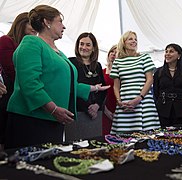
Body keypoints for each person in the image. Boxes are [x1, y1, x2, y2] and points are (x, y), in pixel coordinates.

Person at [5, 5, 109, 149]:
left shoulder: (58, 52)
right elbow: (30, 83)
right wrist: (53, 109)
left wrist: (94, 88)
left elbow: (67, 83)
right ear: (46, 22)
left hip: (52, 119)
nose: (64, 26)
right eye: (60, 21)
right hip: (31, 119)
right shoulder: (31, 43)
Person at [110, 30, 160, 134]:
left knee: (148, 138)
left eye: (135, 39)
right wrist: (119, 101)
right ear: (124, 42)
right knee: (123, 140)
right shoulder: (117, 62)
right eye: (130, 39)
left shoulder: (144, 57)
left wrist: (139, 98)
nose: (134, 41)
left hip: (144, 103)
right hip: (125, 105)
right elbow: (116, 86)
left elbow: (150, 80)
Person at [0, 12, 37, 151]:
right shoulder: (6, 41)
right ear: (21, 24)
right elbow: (12, 71)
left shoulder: (31, 46)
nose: (35, 28)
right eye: (31, 23)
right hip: (6, 96)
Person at [65, 32, 107, 141]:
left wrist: (97, 105)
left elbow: (103, 90)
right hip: (77, 113)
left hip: (95, 114)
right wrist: (87, 108)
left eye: (88, 45)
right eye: (81, 44)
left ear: (93, 48)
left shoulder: (97, 66)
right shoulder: (70, 63)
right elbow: (72, 88)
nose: (84, 47)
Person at [153, 43, 182, 128]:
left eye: (171, 51)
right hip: (163, 109)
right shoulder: (158, 72)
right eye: (166, 51)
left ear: (179, 55)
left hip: (181, 109)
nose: (167, 54)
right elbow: (156, 91)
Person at [102, 45, 117, 135]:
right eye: (112, 51)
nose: (113, 54)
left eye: (116, 52)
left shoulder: (122, 72)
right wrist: (105, 109)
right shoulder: (102, 71)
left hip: (118, 108)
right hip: (105, 108)